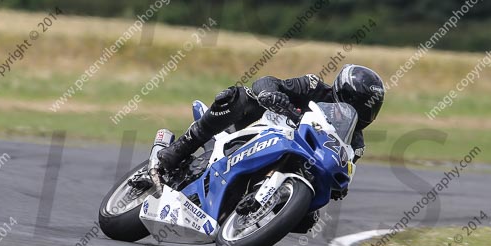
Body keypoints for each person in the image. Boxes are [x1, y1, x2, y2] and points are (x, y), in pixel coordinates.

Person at [157, 65, 385, 177]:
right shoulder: (313, 87)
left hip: (295, 163)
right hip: (258, 126)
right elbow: (269, 81)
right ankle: (179, 149)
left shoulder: (356, 143)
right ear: (343, 93)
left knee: (306, 221)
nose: (362, 111)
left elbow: (343, 171)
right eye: (358, 103)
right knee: (239, 96)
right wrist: (270, 94)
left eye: (369, 107)